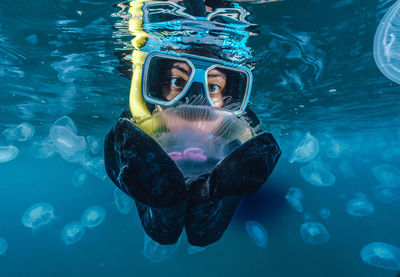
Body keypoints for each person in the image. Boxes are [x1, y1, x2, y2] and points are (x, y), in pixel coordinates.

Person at [104, 0, 281, 247]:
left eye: (213, 86)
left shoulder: (239, 126)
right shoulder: (139, 123)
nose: (194, 100)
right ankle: (172, 203)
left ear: (230, 91)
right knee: (166, 232)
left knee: (201, 233)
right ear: (155, 86)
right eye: (177, 82)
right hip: (155, 154)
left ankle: (199, 199)